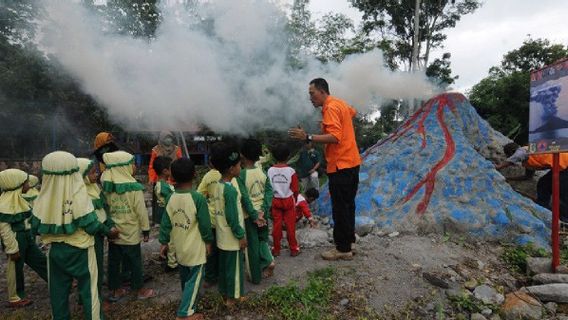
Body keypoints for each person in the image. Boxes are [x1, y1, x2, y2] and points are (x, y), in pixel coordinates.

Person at [31, 151, 119, 320]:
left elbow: (35, 227)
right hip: (82, 250)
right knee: (90, 292)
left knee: (58, 295)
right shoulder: (78, 193)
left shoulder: (43, 197)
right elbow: (92, 225)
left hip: (55, 252)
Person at [288, 78, 361, 261]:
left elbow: (335, 137)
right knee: (349, 205)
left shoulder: (330, 107)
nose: (310, 98)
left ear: (322, 91)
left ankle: (342, 249)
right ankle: (349, 243)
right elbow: (352, 112)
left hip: (340, 164)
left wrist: (308, 137)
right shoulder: (340, 104)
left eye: (312, 93)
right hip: (352, 162)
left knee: (340, 208)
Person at [209, 142, 264, 306]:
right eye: (239, 165)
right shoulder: (231, 191)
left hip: (221, 236)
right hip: (232, 238)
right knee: (235, 270)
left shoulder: (218, 186)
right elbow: (232, 217)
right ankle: (233, 298)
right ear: (232, 169)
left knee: (225, 268)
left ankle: (225, 293)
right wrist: (240, 236)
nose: (241, 167)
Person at [159, 158, 213, 320]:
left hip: (180, 248)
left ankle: (188, 301)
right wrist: (209, 241)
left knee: (185, 277)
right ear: (195, 175)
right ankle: (185, 313)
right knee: (195, 279)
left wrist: (163, 242)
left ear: (172, 177)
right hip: (195, 249)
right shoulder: (198, 199)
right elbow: (205, 225)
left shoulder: (171, 198)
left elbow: (165, 223)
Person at [101, 151, 156, 301]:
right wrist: (146, 229)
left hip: (114, 233)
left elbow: (105, 209)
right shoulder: (134, 188)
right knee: (135, 262)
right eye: (132, 163)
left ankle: (115, 290)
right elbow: (141, 212)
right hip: (131, 233)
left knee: (113, 262)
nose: (135, 166)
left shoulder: (107, 186)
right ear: (123, 167)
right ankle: (139, 289)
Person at [0, 169, 48, 307]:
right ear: (17, 184)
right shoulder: (4, 204)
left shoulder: (19, 199)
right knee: (15, 270)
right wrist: (12, 249)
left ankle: (58, 281)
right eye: (25, 182)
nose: (28, 184)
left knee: (40, 260)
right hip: (16, 240)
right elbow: (4, 229)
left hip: (26, 237)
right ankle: (15, 297)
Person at [495, 142, 568, 220]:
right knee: (543, 184)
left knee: (562, 192)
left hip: (565, 167)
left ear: (512, 152)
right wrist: (507, 178)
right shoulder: (530, 158)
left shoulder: (525, 150)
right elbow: (527, 176)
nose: (509, 158)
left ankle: (564, 218)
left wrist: (498, 167)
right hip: (561, 167)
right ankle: (543, 207)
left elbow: (518, 155)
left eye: (509, 155)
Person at [78, 158, 117, 295]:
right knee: (90, 268)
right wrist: (107, 231)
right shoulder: (79, 193)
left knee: (98, 266)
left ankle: (96, 295)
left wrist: (110, 224)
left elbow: (104, 208)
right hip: (89, 235)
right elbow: (89, 221)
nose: (96, 175)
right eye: (93, 173)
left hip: (99, 233)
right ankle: (91, 299)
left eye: (96, 172)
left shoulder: (95, 188)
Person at [239, 139, 275, 282]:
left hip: (250, 216)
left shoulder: (241, 175)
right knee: (262, 239)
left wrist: (254, 215)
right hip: (263, 214)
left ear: (243, 155)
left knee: (252, 247)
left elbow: (244, 198)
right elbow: (269, 192)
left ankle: (255, 277)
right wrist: (263, 210)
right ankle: (269, 260)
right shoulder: (262, 172)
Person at [267, 143, 300, 257]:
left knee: (277, 226)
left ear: (274, 156)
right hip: (288, 201)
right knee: (290, 226)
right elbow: (295, 189)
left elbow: (268, 188)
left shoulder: (270, 170)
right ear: (288, 156)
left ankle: (276, 249)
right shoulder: (291, 171)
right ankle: (294, 249)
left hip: (276, 200)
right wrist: (294, 200)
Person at [196, 161, 222, 287]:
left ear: (210, 163)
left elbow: (199, 194)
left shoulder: (208, 176)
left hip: (211, 218)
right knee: (224, 249)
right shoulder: (229, 174)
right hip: (225, 220)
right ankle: (223, 275)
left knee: (210, 251)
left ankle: (210, 278)